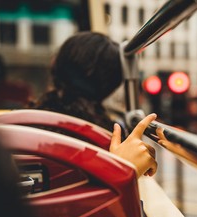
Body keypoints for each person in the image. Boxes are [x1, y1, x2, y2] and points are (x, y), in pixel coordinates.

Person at [33, 31, 157, 178]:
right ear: (111, 85)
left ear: (56, 65)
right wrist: (124, 170)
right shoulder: (110, 141)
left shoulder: (27, 119)